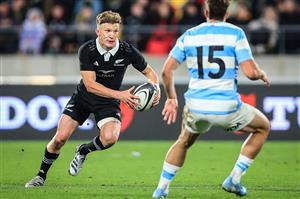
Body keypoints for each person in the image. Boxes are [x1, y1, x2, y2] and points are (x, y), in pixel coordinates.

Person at [25, 10, 160, 188]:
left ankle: (83, 150)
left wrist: (156, 89)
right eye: (107, 31)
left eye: (115, 31)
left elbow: (150, 73)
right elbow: (90, 85)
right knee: (60, 138)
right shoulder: (87, 50)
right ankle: (40, 176)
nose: (111, 35)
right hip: (84, 97)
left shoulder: (127, 50)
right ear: (98, 31)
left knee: (110, 138)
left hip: (107, 101)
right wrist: (120, 95)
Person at [152, 0, 270, 198]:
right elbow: (250, 72)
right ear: (227, 13)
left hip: (196, 106)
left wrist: (171, 98)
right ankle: (234, 179)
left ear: (205, 11)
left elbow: (166, 71)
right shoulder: (235, 33)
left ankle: (161, 189)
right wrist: (260, 73)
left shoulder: (189, 35)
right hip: (227, 107)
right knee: (263, 127)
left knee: (183, 141)